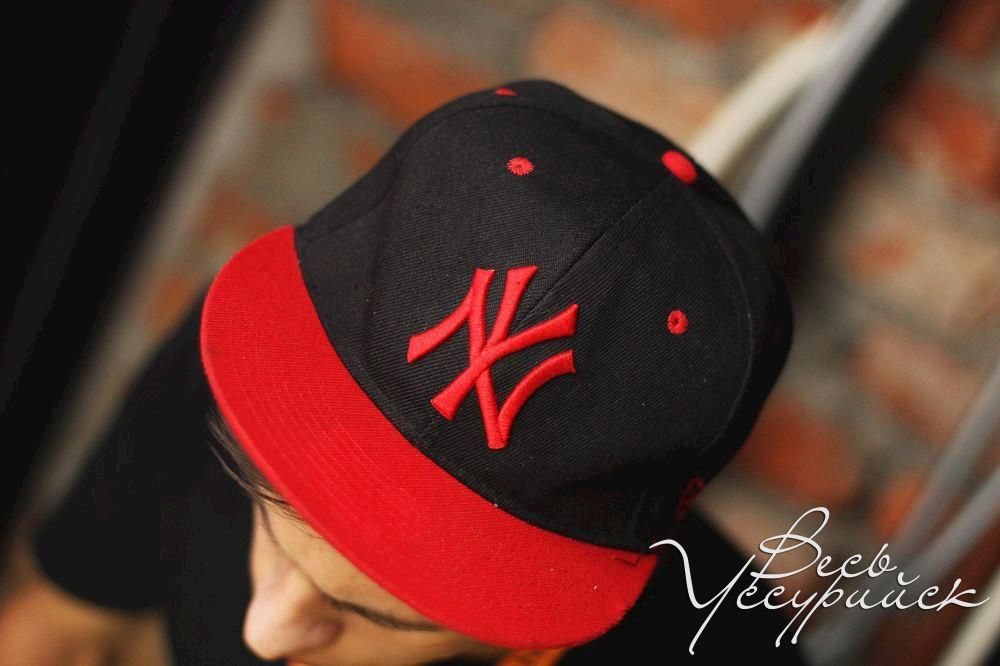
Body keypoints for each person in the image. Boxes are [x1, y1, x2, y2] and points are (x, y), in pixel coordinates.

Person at [0, 80, 804, 664]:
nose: (264, 630)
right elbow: (66, 626)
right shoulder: (253, 371)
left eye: (375, 613)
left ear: (534, 642)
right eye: (268, 506)